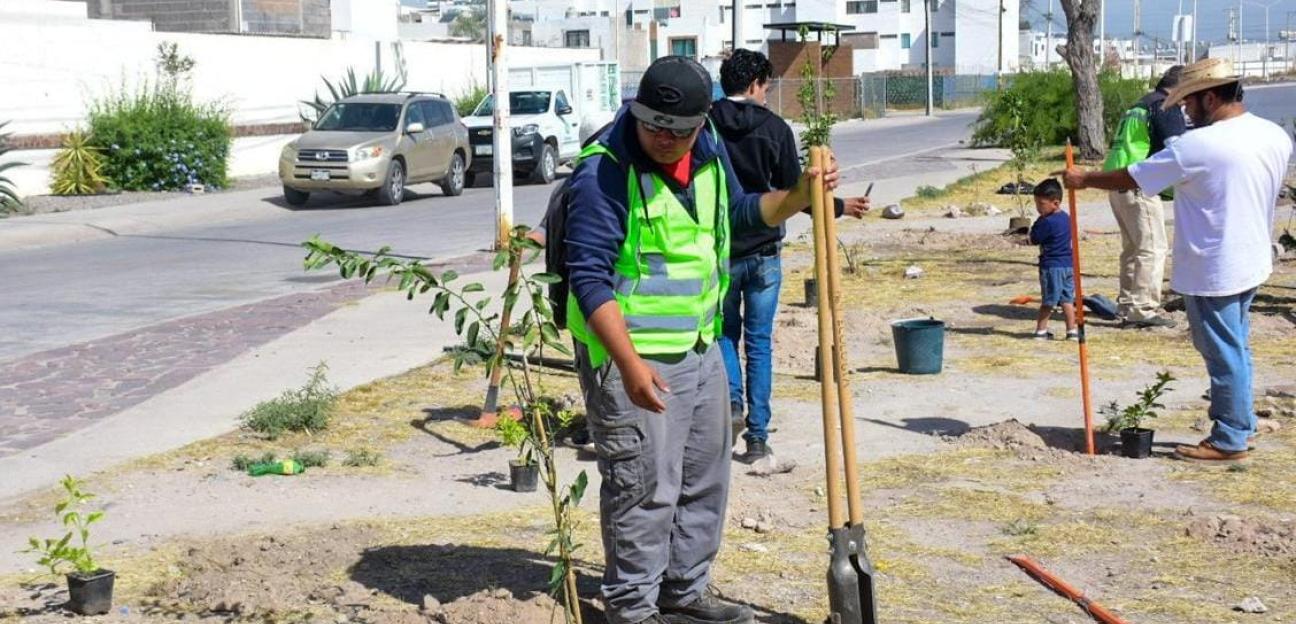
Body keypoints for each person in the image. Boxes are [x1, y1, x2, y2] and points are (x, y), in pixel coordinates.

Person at [563, 56, 841, 624]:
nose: (664, 138)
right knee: (643, 488)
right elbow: (588, 279)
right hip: (630, 358)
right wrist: (632, 367)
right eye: (653, 124)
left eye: (678, 129)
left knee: (703, 480)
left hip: (698, 345)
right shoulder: (604, 172)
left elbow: (741, 215)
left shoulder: (708, 151)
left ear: (700, 121)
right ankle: (633, 609)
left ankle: (684, 592)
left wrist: (798, 197)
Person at [1060, 58, 1294, 463]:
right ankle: (1241, 425)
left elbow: (1134, 176)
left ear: (1209, 97)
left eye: (1188, 103)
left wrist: (1085, 179)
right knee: (1236, 347)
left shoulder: (1197, 146)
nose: (1184, 112)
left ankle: (1229, 438)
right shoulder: (1273, 135)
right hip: (1252, 257)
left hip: (1215, 266)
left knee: (1222, 353)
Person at [709, 49, 869, 462]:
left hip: (721, 249)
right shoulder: (775, 128)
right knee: (759, 341)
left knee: (724, 333)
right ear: (755, 84)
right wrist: (839, 206)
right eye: (765, 86)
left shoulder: (705, 124)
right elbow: (796, 195)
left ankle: (731, 404)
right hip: (763, 251)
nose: (766, 94)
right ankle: (758, 437)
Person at [1103, 65, 1187, 329]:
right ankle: (1144, 310)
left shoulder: (1139, 105)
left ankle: (1127, 304)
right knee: (1152, 248)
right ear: (1179, 88)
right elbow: (1179, 148)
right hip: (1140, 184)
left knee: (1132, 248)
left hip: (1118, 181)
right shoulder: (1165, 106)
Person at [1027, 179, 1077, 341]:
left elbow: (1034, 238)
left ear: (1055, 203)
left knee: (1048, 301)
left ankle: (1041, 331)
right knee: (1067, 300)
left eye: (1041, 204)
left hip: (1052, 266)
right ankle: (1072, 331)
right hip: (1068, 265)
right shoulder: (1066, 218)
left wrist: (1037, 223)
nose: (1038, 208)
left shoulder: (1046, 222)